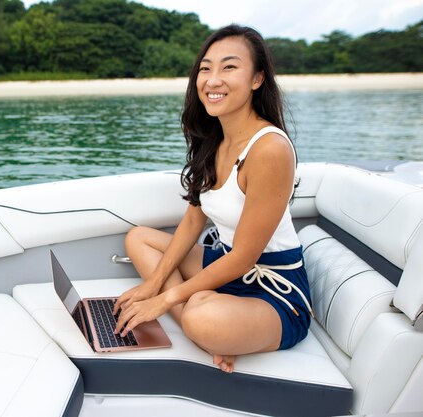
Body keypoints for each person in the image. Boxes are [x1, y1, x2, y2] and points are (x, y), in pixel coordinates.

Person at [113, 24, 313, 374]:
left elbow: (244, 258)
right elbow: (194, 219)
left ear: (257, 79)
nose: (212, 79)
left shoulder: (270, 149)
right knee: (139, 238)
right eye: (206, 68)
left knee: (201, 317)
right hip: (223, 262)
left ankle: (204, 325)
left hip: (271, 288)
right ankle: (209, 328)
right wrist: (153, 283)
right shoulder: (214, 138)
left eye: (229, 67)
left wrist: (164, 298)